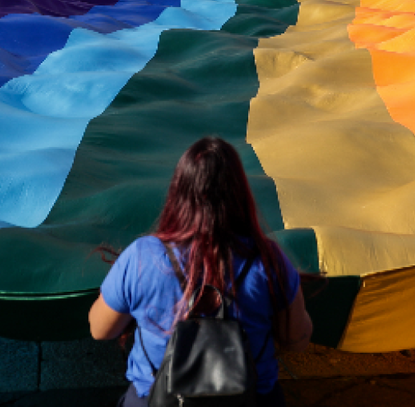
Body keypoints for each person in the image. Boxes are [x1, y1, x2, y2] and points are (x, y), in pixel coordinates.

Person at [89, 137, 312, 406]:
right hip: (251, 399)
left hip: (157, 398)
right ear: (240, 193)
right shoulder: (268, 260)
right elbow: (296, 341)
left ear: (178, 192)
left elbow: (100, 330)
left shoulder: (142, 257)